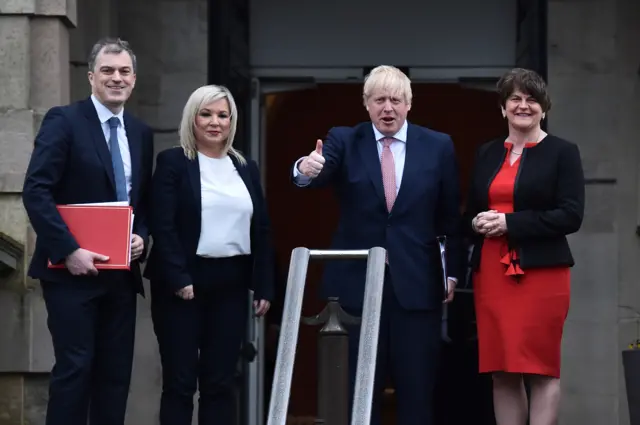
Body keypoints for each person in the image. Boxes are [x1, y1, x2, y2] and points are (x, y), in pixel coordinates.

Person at [291, 65, 462, 425]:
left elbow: (449, 219)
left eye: (396, 100)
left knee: (417, 394)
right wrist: (305, 168)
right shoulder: (343, 139)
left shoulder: (437, 146)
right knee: (356, 395)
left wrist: (452, 273)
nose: (388, 108)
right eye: (379, 99)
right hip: (355, 288)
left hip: (416, 287)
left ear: (409, 104)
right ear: (366, 104)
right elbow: (318, 172)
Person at [21, 38, 154, 425]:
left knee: (115, 377)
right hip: (70, 274)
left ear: (134, 79)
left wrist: (141, 236)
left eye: (124, 71)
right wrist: (68, 250)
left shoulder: (140, 132)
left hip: (120, 274)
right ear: (92, 76)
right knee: (75, 369)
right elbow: (36, 190)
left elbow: (140, 203)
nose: (117, 78)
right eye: (108, 71)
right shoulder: (64, 120)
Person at [144, 84, 274, 425]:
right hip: (182, 286)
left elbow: (260, 228)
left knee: (220, 382)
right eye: (206, 114)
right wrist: (179, 278)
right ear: (193, 118)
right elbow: (163, 224)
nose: (214, 122)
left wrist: (264, 285)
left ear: (232, 122)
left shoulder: (246, 167)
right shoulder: (172, 162)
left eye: (222, 115)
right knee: (181, 383)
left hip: (231, 284)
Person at [464, 68, 585, 425]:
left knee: (541, 369)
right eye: (515, 98)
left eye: (532, 99)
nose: (523, 105)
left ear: (543, 109)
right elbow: (469, 210)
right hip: (493, 275)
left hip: (542, 274)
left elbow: (571, 216)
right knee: (502, 370)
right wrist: (475, 223)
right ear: (503, 108)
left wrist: (509, 223)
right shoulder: (486, 153)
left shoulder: (563, 152)